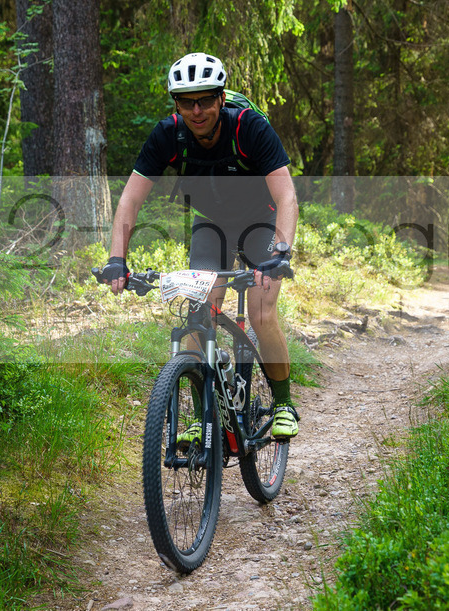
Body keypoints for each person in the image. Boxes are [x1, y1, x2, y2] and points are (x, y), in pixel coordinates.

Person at [97, 52, 300, 439]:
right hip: (211, 224)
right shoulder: (168, 134)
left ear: (221, 99)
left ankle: (284, 403)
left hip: (262, 219)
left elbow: (287, 195)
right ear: (176, 104)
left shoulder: (248, 127)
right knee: (199, 311)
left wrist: (281, 252)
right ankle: (200, 417)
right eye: (187, 102)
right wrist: (116, 259)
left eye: (206, 99)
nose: (197, 110)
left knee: (261, 313)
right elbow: (130, 201)